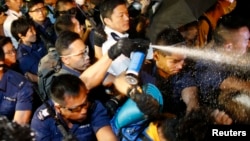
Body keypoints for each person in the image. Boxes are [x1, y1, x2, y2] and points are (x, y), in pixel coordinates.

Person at [31, 74, 118, 141]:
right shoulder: (42, 120)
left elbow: (107, 136)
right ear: (59, 108)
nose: (84, 110)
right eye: (77, 108)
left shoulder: (93, 107)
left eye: (85, 103)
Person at [193, 14, 250, 108]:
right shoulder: (206, 64)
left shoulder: (232, 52)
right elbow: (236, 85)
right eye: (246, 40)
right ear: (228, 47)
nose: (248, 44)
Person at [140, 27, 199, 117]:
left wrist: (192, 107)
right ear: (156, 56)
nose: (180, 66)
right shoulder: (145, 70)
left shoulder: (183, 72)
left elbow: (191, 94)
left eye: (183, 60)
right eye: (174, 61)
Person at [0, 40, 34, 125]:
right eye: (9, 52)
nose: (14, 54)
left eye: (13, 50)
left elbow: (19, 125)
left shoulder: (21, 86)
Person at [11, 17, 47, 82]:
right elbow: (43, 71)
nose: (35, 33)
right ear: (21, 35)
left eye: (34, 29)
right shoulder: (23, 57)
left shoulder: (38, 41)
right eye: (31, 31)